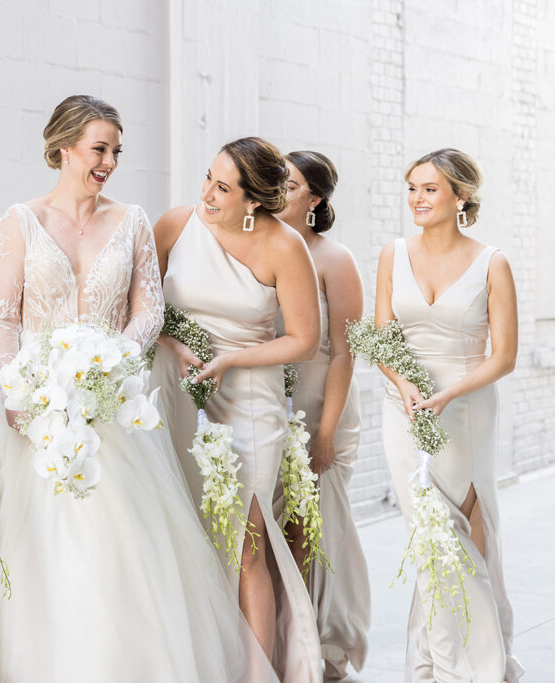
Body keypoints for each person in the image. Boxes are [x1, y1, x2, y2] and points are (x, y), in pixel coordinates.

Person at [0, 96, 276, 683]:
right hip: (37, 415)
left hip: (116, 410)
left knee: (126, 554)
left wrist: (113, 363)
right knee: (48, 552)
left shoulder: (133, 219)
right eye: (99, 149)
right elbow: (1, 318)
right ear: (64, 148)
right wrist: (19, 391)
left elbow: (149, 309)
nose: (110, 161)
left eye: (116, 150)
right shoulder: (19, 220)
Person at [152, 137, 323, 680]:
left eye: (222, 188)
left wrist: (230, 359)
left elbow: (304, 339)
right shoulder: (176, 225)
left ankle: (258, 672)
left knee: (248, 543)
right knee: (187, 534)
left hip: (249, 399)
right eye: (208, 177)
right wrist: (173, 345)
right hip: (177, 391)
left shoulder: (284, 245)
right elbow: (142, 305)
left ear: (254, 202)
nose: (206, 193)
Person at [375, 148, 522, 682]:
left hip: (465, 411)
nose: (417, 198)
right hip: (404, 407)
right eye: (412, 187)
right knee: (428, 532)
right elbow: (383, 338)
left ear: (460, 196)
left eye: (430, 189)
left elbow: (503, 355)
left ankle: (473, 662)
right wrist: (406, 384)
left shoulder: (492, 263)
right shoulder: (393, 254)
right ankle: (450, 665)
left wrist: (448, 394)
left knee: (461, 533)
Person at [274, 150, 371, 679]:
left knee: (312, 521)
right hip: (269, 399)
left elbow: (344, 350)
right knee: (272, 522)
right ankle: (278, 637)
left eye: (289, 186)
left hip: (321, 402)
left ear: (313, 200)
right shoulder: (257, 245)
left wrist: (326, 430)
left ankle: (317, 642)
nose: (277, 191)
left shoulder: (335, 259)